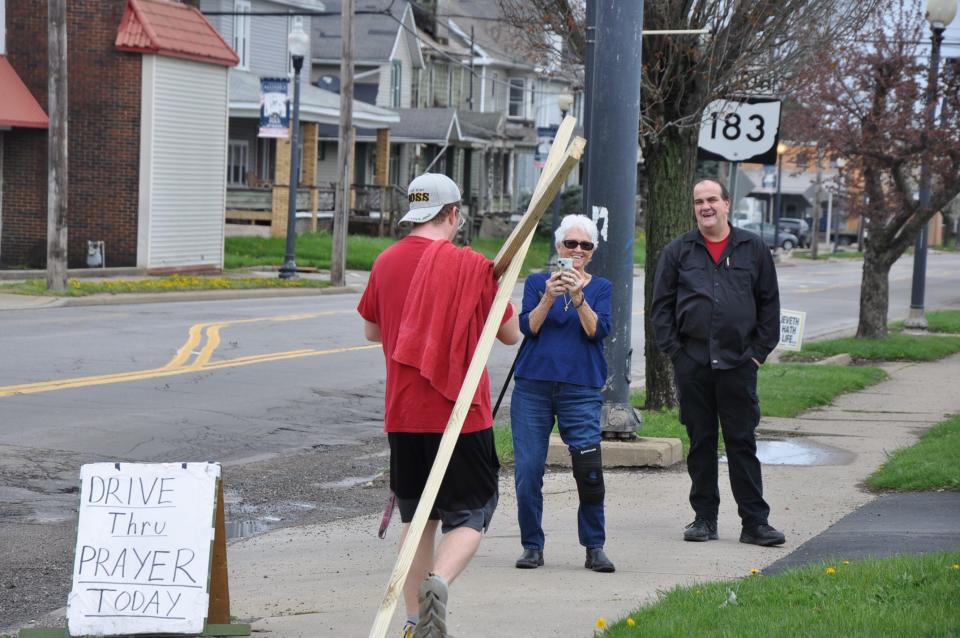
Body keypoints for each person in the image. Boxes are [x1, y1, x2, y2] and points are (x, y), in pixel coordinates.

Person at [358, 173, 521, 638]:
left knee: (417, 519)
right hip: (461, 414)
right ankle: (440, 582)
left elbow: (372, 330)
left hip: (404, 414)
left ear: (413, 212)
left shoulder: (385, 262)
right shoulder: (473, 267)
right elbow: (509, 335)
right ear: (452, 215)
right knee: (474, 510)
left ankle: (414, 622)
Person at [651, 179, 786, 547]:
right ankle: (704, 519)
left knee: (742, 441)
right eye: (699, 201)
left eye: (712, 199)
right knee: (701, 442)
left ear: (727, 203)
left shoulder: (752, 248)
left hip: (739, 363)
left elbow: (769, 305)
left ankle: (755, 523)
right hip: (692, 363)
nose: (705, 207)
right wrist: (676, 355)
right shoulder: (679, 251)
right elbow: (661, 309)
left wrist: (757, 353)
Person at [509, 214, 616, 573]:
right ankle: (532, 545)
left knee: (588, 470)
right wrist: (548, 298)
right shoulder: (539, 282)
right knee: (527, 471)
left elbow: (597, 332)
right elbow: (528, 327)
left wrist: (578, 296)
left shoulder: (601, 287)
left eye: (585, 245)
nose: (577, 251)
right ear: (559, 248)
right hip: (533, 388)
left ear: (592, 251)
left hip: (581, 389)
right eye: (571, 244)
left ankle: (594, 546)